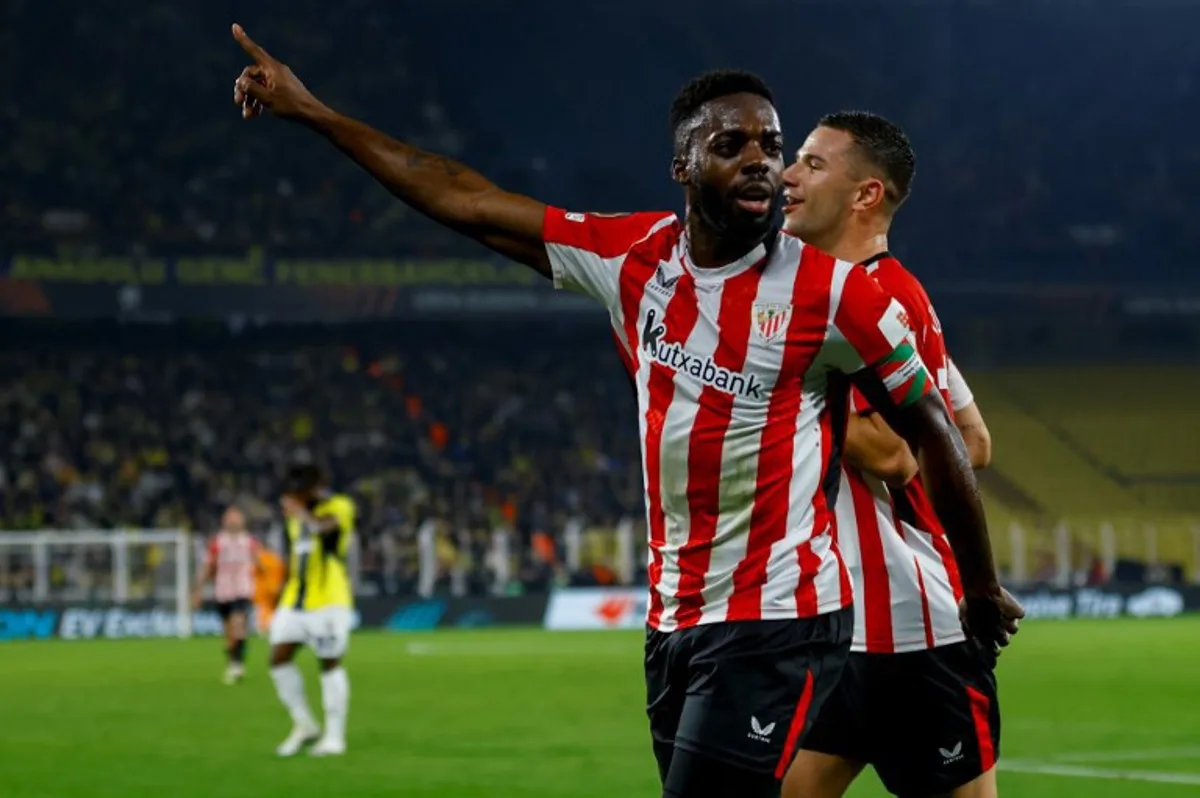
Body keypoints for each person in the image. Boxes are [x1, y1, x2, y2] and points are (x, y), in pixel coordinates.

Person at [230, 28, 1015, 795]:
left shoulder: (835, 294)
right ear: (682, 164)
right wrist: (319, 114)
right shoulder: (630, 261)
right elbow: (465, 198)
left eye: (771, 146)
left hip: (780, 614)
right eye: (731, 144)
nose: (761, 162)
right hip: (676, 619)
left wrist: (977, 585)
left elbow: (935, 429)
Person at [778, 111, 1023, 798]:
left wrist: (776, 390)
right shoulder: (883, 298)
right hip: (843, 625)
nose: (787, 177)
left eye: (813, 164)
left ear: (866, 195)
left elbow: (893, 454)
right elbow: (971, 439)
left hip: (915, 635)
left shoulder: (879, 298)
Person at [267, 463, 357, 757]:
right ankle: (304, 723)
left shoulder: (340, 506)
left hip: (329, 601)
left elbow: (325, 528)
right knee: (278, 658)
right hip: (295, 600)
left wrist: (300, 512)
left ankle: (335, 737)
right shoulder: (293, 521)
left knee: (329, 662)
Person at [192, 506, 261, 684]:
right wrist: (198, 589)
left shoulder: (249, 542)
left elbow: (260, 563)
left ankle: (237, 664)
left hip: (243, 589)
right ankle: (233, 662)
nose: (233, 521)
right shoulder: (217, 543)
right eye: (230, 518)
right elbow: (208, 566)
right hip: (223, 591)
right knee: (228, 631)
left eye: (236, 518)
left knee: (238, 623)